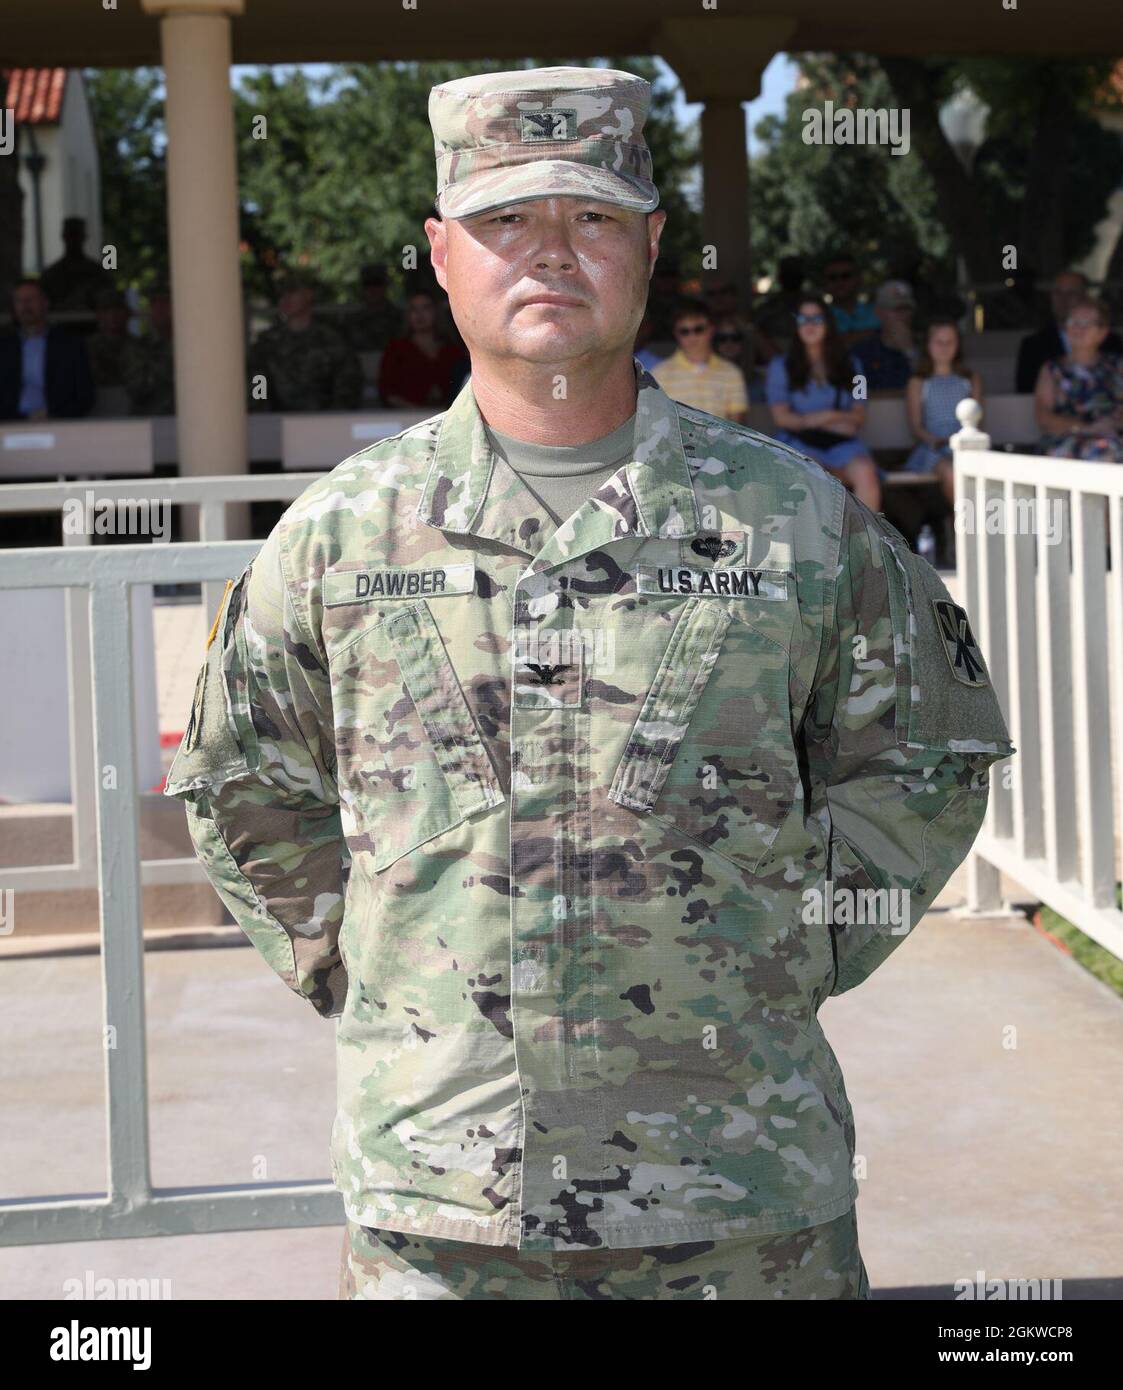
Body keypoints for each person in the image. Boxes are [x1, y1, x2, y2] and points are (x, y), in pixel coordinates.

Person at [164, 65, 1014, 1303]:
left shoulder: (793, 522)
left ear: (652, 246)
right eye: (506, 220)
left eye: (594, 218)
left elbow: (925, 755)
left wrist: (781, 945)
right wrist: (378, 976)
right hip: (444, 1213)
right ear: (441, 253)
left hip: (738, 1198)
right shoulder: (343, 536)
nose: (549, 253)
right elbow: (245, 783)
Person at [765, 294, 881, 510]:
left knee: (866, 472)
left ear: (828, 324)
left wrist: (819, 418)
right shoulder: (779, 366)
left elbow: (859, 415)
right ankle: (818, 543)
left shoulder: (855, 365)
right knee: (810, 472)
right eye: (803, 319)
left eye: (817, 319)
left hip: (843, 445)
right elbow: (782, 418)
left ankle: (867, 542)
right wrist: (827, 418)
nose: (810, 325)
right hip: (799, 443)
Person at [247, 272, 362, 412]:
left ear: (308, 295)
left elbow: (348, 386)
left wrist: (334, 420)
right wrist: (263, 416)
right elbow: (258, 382)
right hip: (278, 423)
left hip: (325, 423)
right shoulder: (266, 343)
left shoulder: (332, 340)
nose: (285, 299)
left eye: (292, 292)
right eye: (281, 294)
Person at [1034, 295, 1123, 461]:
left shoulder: (1118, 366)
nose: (1077, 329)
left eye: (1085, 324)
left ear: (1102, 332)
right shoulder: (1052, 370)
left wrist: (1113, 425)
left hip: (1114, 435)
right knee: (1104, 451)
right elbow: (1044, 418)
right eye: (1073, 322)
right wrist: (1088, 428)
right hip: (1068, 440)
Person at [904, 318, 983, 504]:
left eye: (950, 342)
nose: (944, 347)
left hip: (966, 444)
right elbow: (916, 427)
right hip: (933, 449)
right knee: (951, 473)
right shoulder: (919, 382)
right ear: (928, 345)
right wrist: (937, 441)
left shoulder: (970, 379)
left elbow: (977, 420)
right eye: (939, 342)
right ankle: (968, 526)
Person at [1016, 269, 1123, 394]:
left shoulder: (1111, 341)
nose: (1063, 299)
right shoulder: (1033, 346)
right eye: (1058, 293)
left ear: (1085, 297)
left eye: (1071, 293)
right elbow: (1026, 392)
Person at [0, 278, 93, 421]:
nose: (25, 305)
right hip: (8, 425)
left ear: (45, 303)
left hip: (58, 423)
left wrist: (55, 416)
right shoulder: (4, 346)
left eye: (31, 299)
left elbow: (84, 394)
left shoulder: (69, 345)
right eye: (19, 301)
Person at [650, 299, 749, 424]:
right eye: (684, 331)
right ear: (675, 333)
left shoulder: (732, 373)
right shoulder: (659, 373)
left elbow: (737, 429)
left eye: (698, 329)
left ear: (712, 329)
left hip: (719, 443)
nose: (692, 336)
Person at [378, 286, 467, 410]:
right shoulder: (396, 349)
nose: (419, 314)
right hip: (407, 418)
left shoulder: (452, 350)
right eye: (413, 309)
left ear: (436, 312)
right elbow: (388, 393)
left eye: (426, 308)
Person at [38, 216, 112, 315]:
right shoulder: (50, 274)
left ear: (83, 237)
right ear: (64, 237)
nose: (73, 240)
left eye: (76, 235)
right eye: (70, 235)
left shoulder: (98, 273)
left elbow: (108, 302)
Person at [852, 281, 918, 392]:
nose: (902, 315)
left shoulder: (930, 346)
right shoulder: (862, 353)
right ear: (879, 312)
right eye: (896, 309)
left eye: (906, 308)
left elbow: (928, 389)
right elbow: (858, 395)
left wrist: (910, 352)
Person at [122, 286, 176, 416]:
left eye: (166, 303)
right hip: (150, 422)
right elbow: (137, 390)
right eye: (155, 304)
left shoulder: (195, 345)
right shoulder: (137, 347)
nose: (161, 310)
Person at [823, 252, 879, 347]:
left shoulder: (878, 312)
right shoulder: (818, 316)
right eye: (832, 277)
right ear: (825, 282)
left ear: (859, 279)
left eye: (846, 276)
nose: (839, 282)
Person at [85, 286, 134, 389]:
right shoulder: (86, 348)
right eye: (106, 310)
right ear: (98, 315)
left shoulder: (140, 347)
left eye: (118, 309)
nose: (113, 315)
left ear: (127, 313)